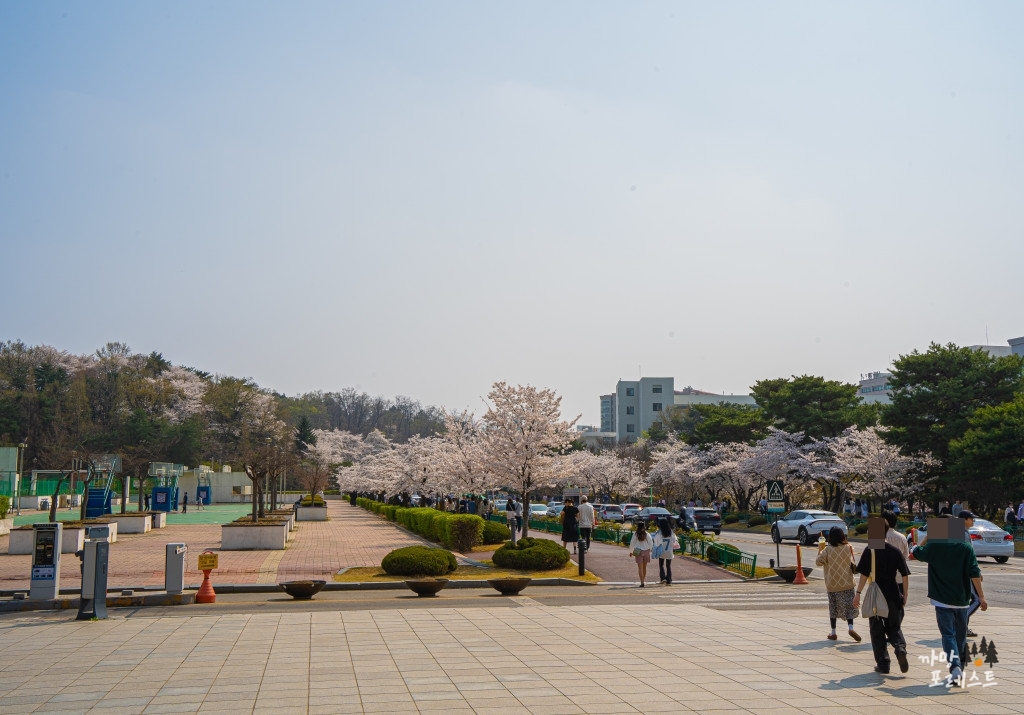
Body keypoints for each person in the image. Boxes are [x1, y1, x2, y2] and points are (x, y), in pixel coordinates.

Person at [910, 516, 987, 686]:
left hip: (941, 599)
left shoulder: (935, 546)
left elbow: (914, 553)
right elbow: (974, 573)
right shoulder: (966, 548)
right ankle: (958, 665)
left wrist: (928, 538)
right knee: (960, 633)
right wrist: (981, 596)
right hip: (962, 598)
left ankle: (955, 666)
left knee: (947, 634)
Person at [853, 521, 911, 675]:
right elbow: (904, 574)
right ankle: (900, 648)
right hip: (893, 593)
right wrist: (905, 595)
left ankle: (883, 663)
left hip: (876, 596)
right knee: (894, 626)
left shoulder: (870, 550)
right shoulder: (895, 551)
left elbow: (864, 575)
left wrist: (858, 594)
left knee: (877, 630)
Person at [815, 526, 861, 643]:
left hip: (832, 584)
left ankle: (833, 632)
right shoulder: (848, 547)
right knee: (849, 606)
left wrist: (820, 549)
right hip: (847, 582)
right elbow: (851, 562)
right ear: (842, 536)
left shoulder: (827, 550)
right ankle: (851, 628)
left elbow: (818, 562)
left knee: (833, 607)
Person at [654, 517, 680, 585]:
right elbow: (675, 540)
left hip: (661, 550)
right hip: (669, 551)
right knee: (668, 566)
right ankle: (669, 580)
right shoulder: (670, 532)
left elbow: (656, 542)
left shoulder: (659, 532)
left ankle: (662, 578)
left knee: (661, 565)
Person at [628, 521, 654, 587]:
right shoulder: (647, 534)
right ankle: (643, 580)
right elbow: (651, 543)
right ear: (644, 526)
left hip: (638, 550)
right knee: (644, 567)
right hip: (646, 550)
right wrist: (650, 549)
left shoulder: (635, 534)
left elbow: (632, 543)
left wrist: (631, 551)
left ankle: (641, 582)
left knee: (640, 568)